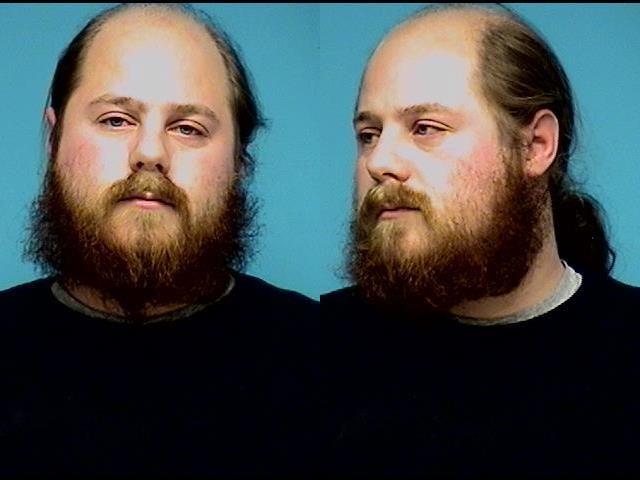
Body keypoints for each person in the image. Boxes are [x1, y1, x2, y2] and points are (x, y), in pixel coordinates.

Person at [0, 3, 320, 476]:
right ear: (53, 139)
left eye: (188, 128)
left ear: (240, 161)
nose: (150, 152)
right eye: (116, 120)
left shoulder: (326, 355)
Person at [321, 3, 640, 476]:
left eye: (426, 128)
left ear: (535, 146)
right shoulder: (317, 347)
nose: (378, 161)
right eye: (368, 134)